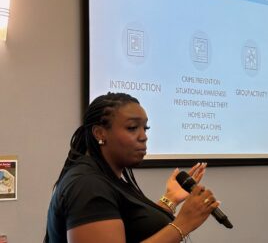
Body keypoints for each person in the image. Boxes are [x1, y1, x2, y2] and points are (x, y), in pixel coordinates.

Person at [45, 92, 219, 243]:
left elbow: (133, 227)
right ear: (100, 133)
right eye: (132, 128)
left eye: (146, 128)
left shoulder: (105, 179)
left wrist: (170, 199)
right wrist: (183, 223)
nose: (143, 137)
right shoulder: (87, 185)